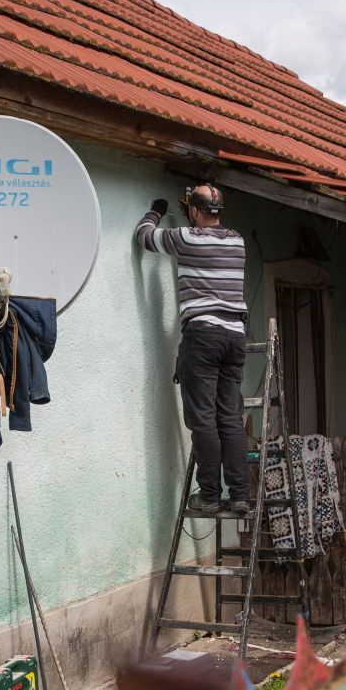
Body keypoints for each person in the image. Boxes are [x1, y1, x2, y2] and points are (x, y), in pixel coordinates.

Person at [135, 184, 251, 517]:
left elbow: (144, 236)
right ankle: (240, 495)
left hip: (203, 334)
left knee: (203, 418)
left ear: (195, 212)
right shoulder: (238, 241)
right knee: (229, 416)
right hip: (234, 335)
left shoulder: (185, 237)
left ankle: (211, 496)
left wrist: (156, 210)